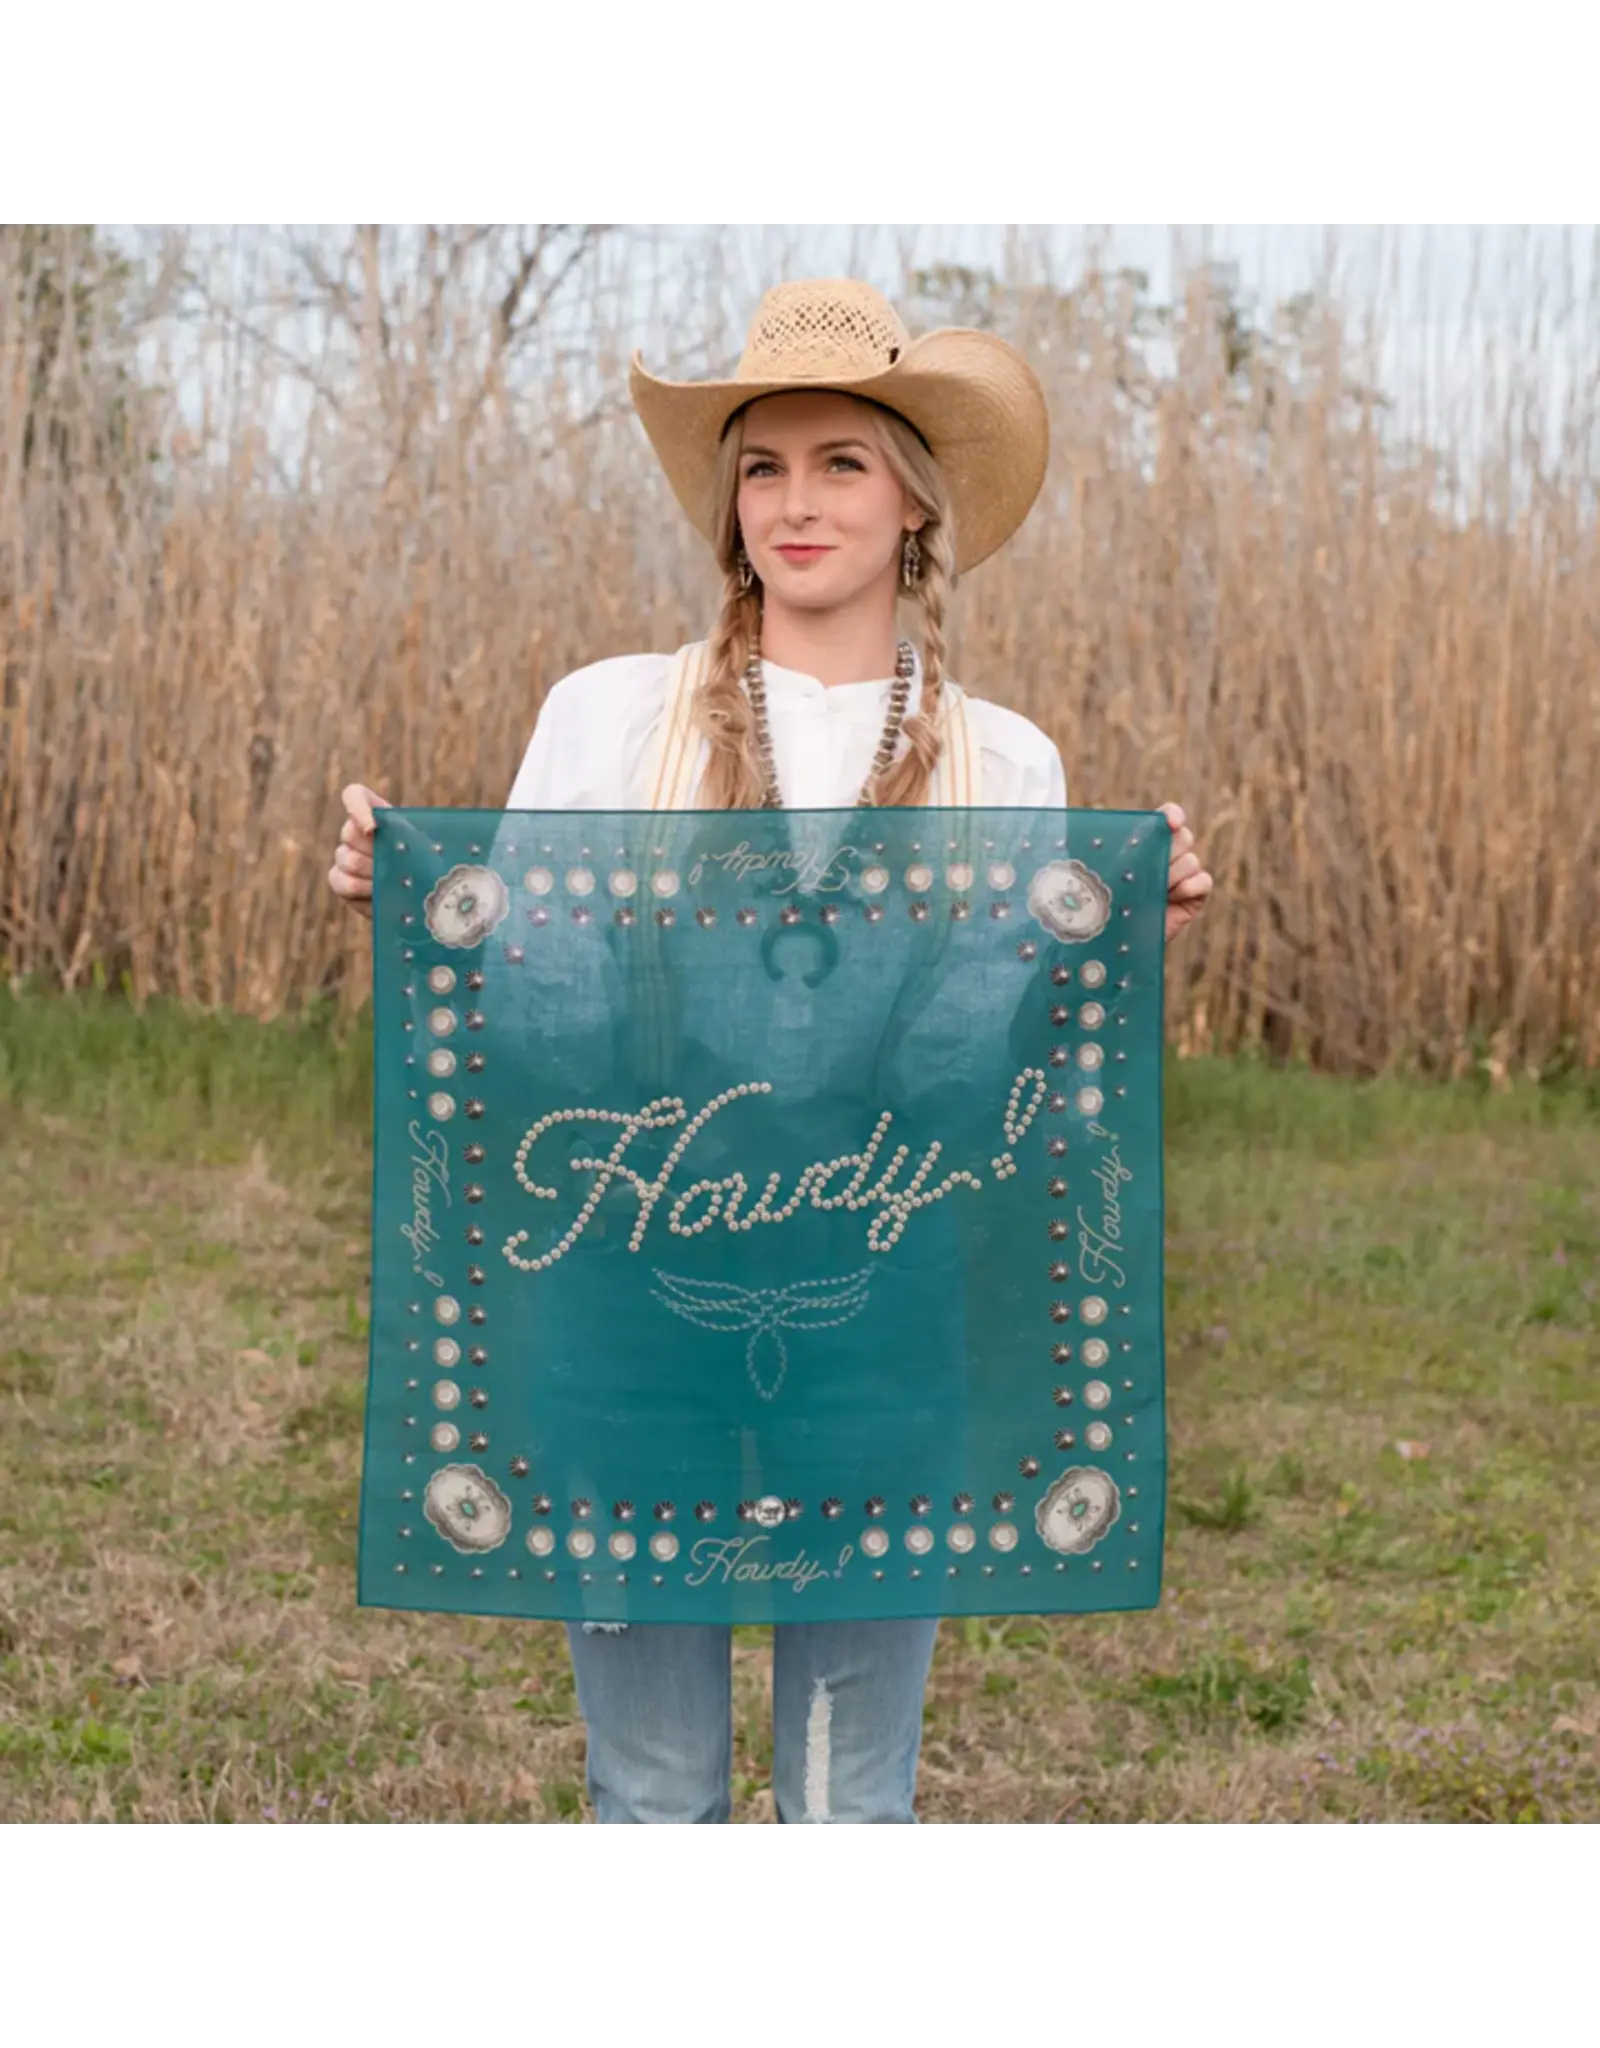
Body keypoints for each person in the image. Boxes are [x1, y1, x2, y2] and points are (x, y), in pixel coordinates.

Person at [328, 278, 1214, 1824]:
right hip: (632, 1306)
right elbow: (551, 1021)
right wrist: (424, 906)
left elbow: (966, 1087)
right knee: (655, 1784)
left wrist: (1101, 931)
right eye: (762, 466)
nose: (795, 505)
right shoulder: (608, 718)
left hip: (882, 1309)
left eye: (841, 463)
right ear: (728, 505)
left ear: (918, 503)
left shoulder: (1006, 760)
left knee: (848, 1792)